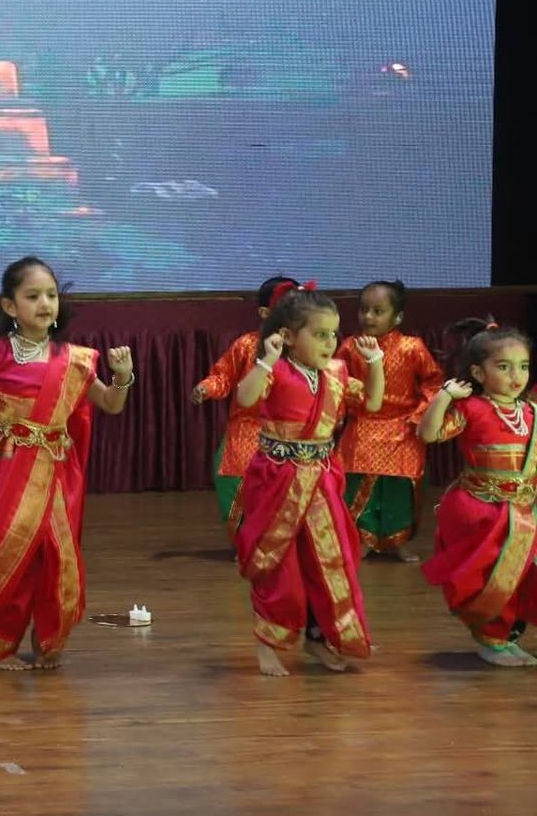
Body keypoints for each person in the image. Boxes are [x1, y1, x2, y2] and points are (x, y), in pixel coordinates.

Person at [0, 257, 133, 670]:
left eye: (52, 295)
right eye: (33, 296)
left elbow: (111, 405)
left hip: (58, 472)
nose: (45, 303)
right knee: (12, 553)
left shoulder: (76, 359)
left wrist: (122, 377)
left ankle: (49, 641)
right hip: (8, 470)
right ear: (10, 307)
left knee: (55, 556)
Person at [230, 285, 383, 676]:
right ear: (286, 335)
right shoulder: (275, 371)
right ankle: (269, 642)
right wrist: (265, 362)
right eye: (319, 334)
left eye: (334, 333)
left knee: (329, 561)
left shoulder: (336, 373)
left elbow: (372, 403)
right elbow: (245, 399)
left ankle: (320, 637)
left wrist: (377, 363)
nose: (330, 342)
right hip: (278, 480)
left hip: (321, 480)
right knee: (278, 565)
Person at [418, 321, 537, 667]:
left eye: (523, 366)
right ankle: (491, 640)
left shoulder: (531, 412)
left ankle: (507, 637)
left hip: (523, 511)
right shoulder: (471, 409)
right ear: (478, 372)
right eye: (503, 367)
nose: (516, 376)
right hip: (482, 512)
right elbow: (429, 434)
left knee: (520, 577)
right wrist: (445, 397)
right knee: (490, 578)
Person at [336, 280, 444, 560]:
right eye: (363, 310)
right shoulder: (349, 346)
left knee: (399, 492)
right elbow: (337, 382)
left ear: (397, 317)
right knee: (357, 486)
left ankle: (397, 542)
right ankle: (360, 540)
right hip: (362, 426)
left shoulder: (412, 348)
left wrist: (421, 415)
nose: (368, 317)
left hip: (403, 428)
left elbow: (434, 383)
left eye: (377, 311)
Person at [192, 276, 300, 526]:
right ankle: (247, 542)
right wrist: (206, 388)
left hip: (290, 433)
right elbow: (223, 376)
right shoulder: (246, 345)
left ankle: (279, 546)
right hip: (246, 430)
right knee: (237, 486)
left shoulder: (304, 346)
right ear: (265, 312)